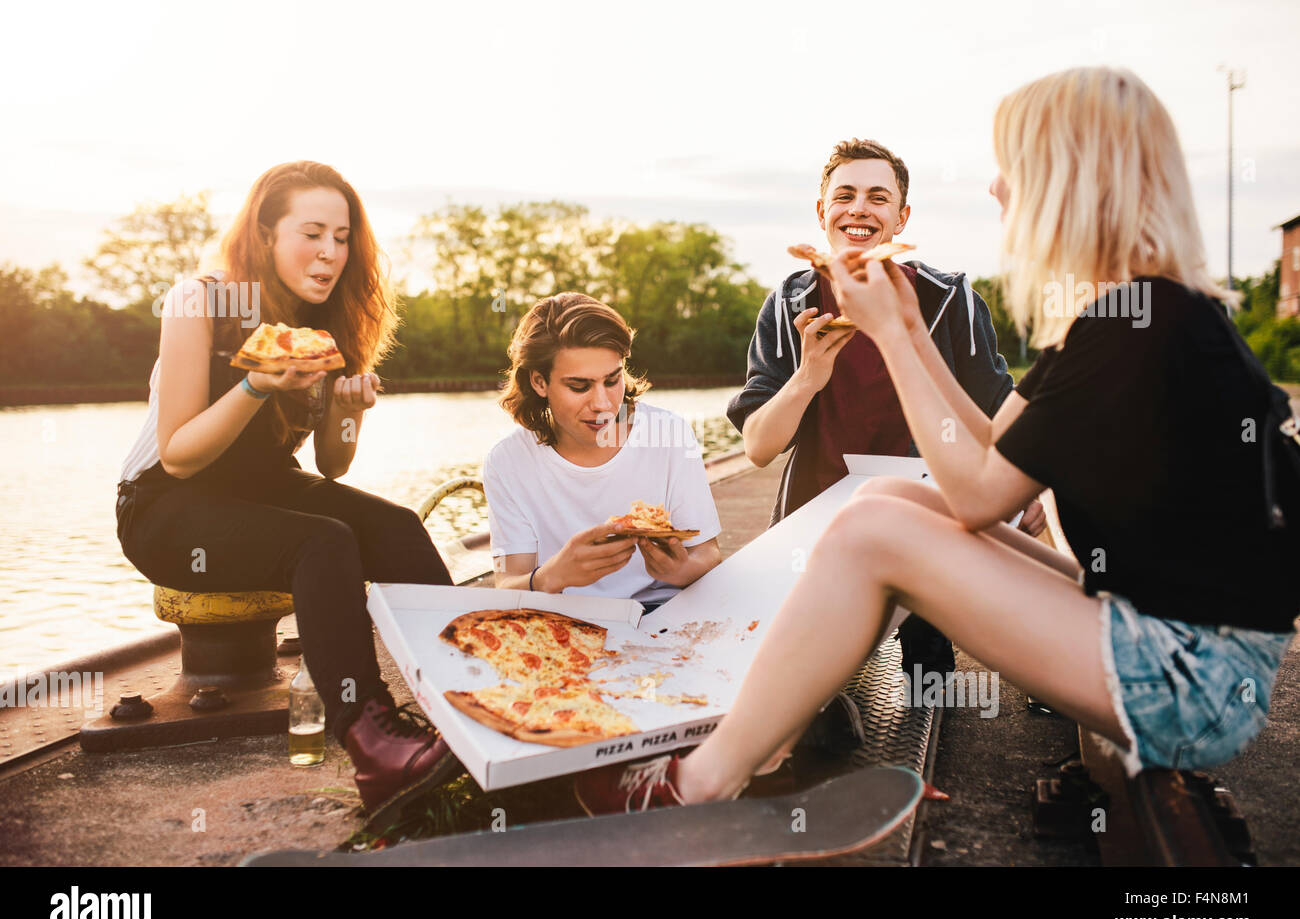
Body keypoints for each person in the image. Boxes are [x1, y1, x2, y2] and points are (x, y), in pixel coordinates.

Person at [575, 66, 1300, 813]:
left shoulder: (1135, 322)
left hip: (1194, 679)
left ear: (1070, 178)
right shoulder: (1124, 311)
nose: (994, 188)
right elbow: (991, 446)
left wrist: (888, 332)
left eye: (1012, 165)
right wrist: (913, 327)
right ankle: (769, 733)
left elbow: (982, 495)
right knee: (893, 495)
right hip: (1163, 638)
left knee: (876, 530)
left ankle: (695, 784)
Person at [116, 161, 459, 816]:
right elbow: (180, 455)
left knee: (396, 528)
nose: (330, 252)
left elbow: (331, 465)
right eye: (312, 233)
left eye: (342, 235)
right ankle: (373, 742)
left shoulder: (325, 322)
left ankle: (470, 700)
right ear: (266, 234)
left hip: (263, 489)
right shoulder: (201, 302)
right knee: (322, 542)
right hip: (165, 506)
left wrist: (348, 411)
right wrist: (255, 385)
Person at [727, 138, 1043, 684]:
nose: (859, 208)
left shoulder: (950, 298)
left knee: (932, 684)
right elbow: (758, 448)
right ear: (822, 212)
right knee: (815, 691)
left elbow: (997, 410)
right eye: (844, 195)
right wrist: (808, 377)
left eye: (878, 197)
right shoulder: (787, 303)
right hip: (817, 523)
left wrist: (1032, 489)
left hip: (929, 516)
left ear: (901, 218)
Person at [484, 293, 722, 610]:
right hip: (562, 622)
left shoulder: (668, 434)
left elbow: (707, 553)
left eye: (612, 380)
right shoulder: (508, 461)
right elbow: (508, 585)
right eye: (579, 386)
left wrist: (681, 571)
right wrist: (551, 576)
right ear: (540, 382)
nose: (603, 404)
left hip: (662, 613)